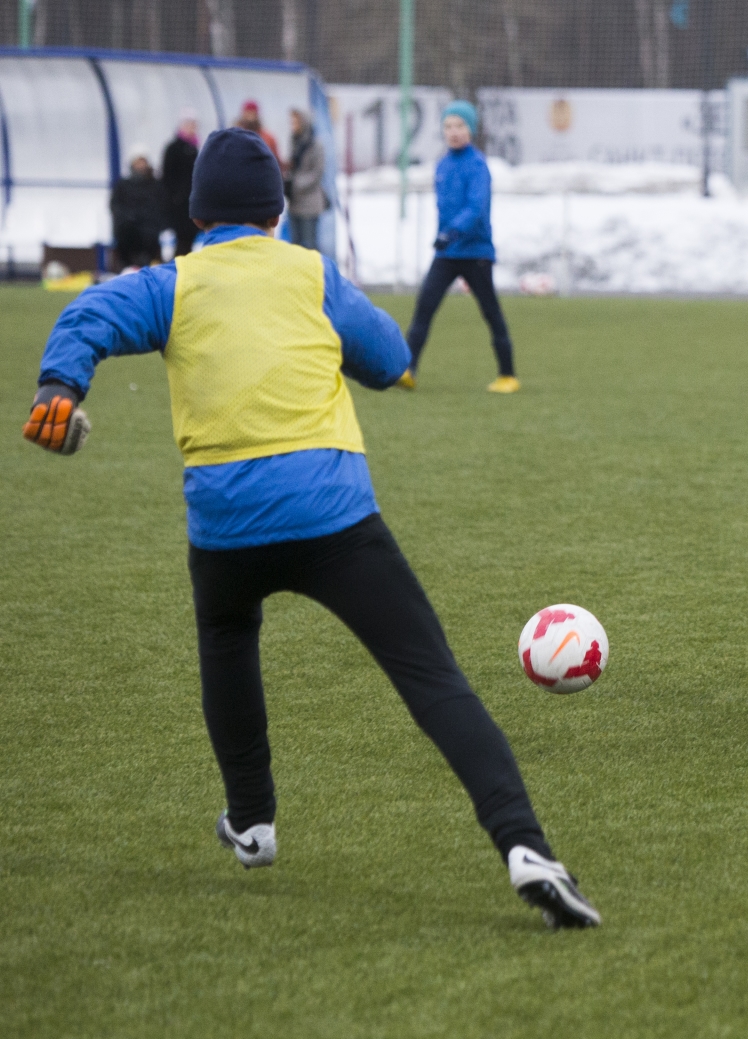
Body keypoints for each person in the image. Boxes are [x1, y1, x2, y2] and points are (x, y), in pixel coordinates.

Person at [22, 128, 600, 928]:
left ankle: (252, 822)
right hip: (332, 515)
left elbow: (90, 311)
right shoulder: (310, 272)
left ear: (197, 216)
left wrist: (61, 384)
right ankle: (525, 845)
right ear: (274, 212)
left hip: (225, 524)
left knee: (227, 639)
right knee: (434, 680)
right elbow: (392, 355)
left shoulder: (175, 283)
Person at [399, 101, 519, 393]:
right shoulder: (442, 164)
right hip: (447, 252)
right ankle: (407, 369)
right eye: (448, 126)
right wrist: (446, 237)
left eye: (460, 126)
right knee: (424, 307)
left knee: (490, 311)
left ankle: (508, 375)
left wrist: (452, 232)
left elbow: (475, 207)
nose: (453, 132)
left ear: (471, 130)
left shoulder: (477, 165)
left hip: (475, 252)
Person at [110, 149, 165, 268]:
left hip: (149, 238)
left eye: (143, 161)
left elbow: (159, 208)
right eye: (138, 161)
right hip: (127, 237)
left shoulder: (155, 185)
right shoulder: (123, 185)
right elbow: (115, 206)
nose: (141, 165)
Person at [285, 108, 327, 253]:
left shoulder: (316, 145)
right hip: (295, 203)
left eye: (296, 122)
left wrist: (295, 183)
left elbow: (317, 174)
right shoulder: (294, 142)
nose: (293, 126)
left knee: (310, 247)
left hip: (310, 204)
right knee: (295, 248)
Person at [161, 112, 201, 256]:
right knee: (182, 241)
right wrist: (175, 198)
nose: (192, 128)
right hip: (179, 207)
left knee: (188, 241)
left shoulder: (194, 149)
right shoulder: (174, 149)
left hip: (190, 204)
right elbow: (167, 178)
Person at [234, 100, 280, 168]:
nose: (250, 118)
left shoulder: (268, 138)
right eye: (248, 114)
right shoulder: (234, 137)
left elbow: (277, 162)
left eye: (252, 114)